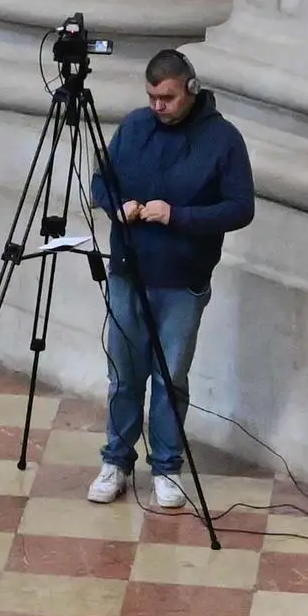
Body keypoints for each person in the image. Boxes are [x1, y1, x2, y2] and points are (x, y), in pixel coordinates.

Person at [86, 47, 254, 512]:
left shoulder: (223, 140)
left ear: (191, 90)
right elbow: (102, 180)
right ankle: (115, 461)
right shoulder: (135, 127)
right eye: (151, 96)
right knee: (123, 373)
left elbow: (241, 208)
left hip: (183, 279)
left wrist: (176, 215)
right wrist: (113, 205)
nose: (158, 106)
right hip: (128, 271)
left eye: (167, 97)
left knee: (169, 375)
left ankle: (166, 467)